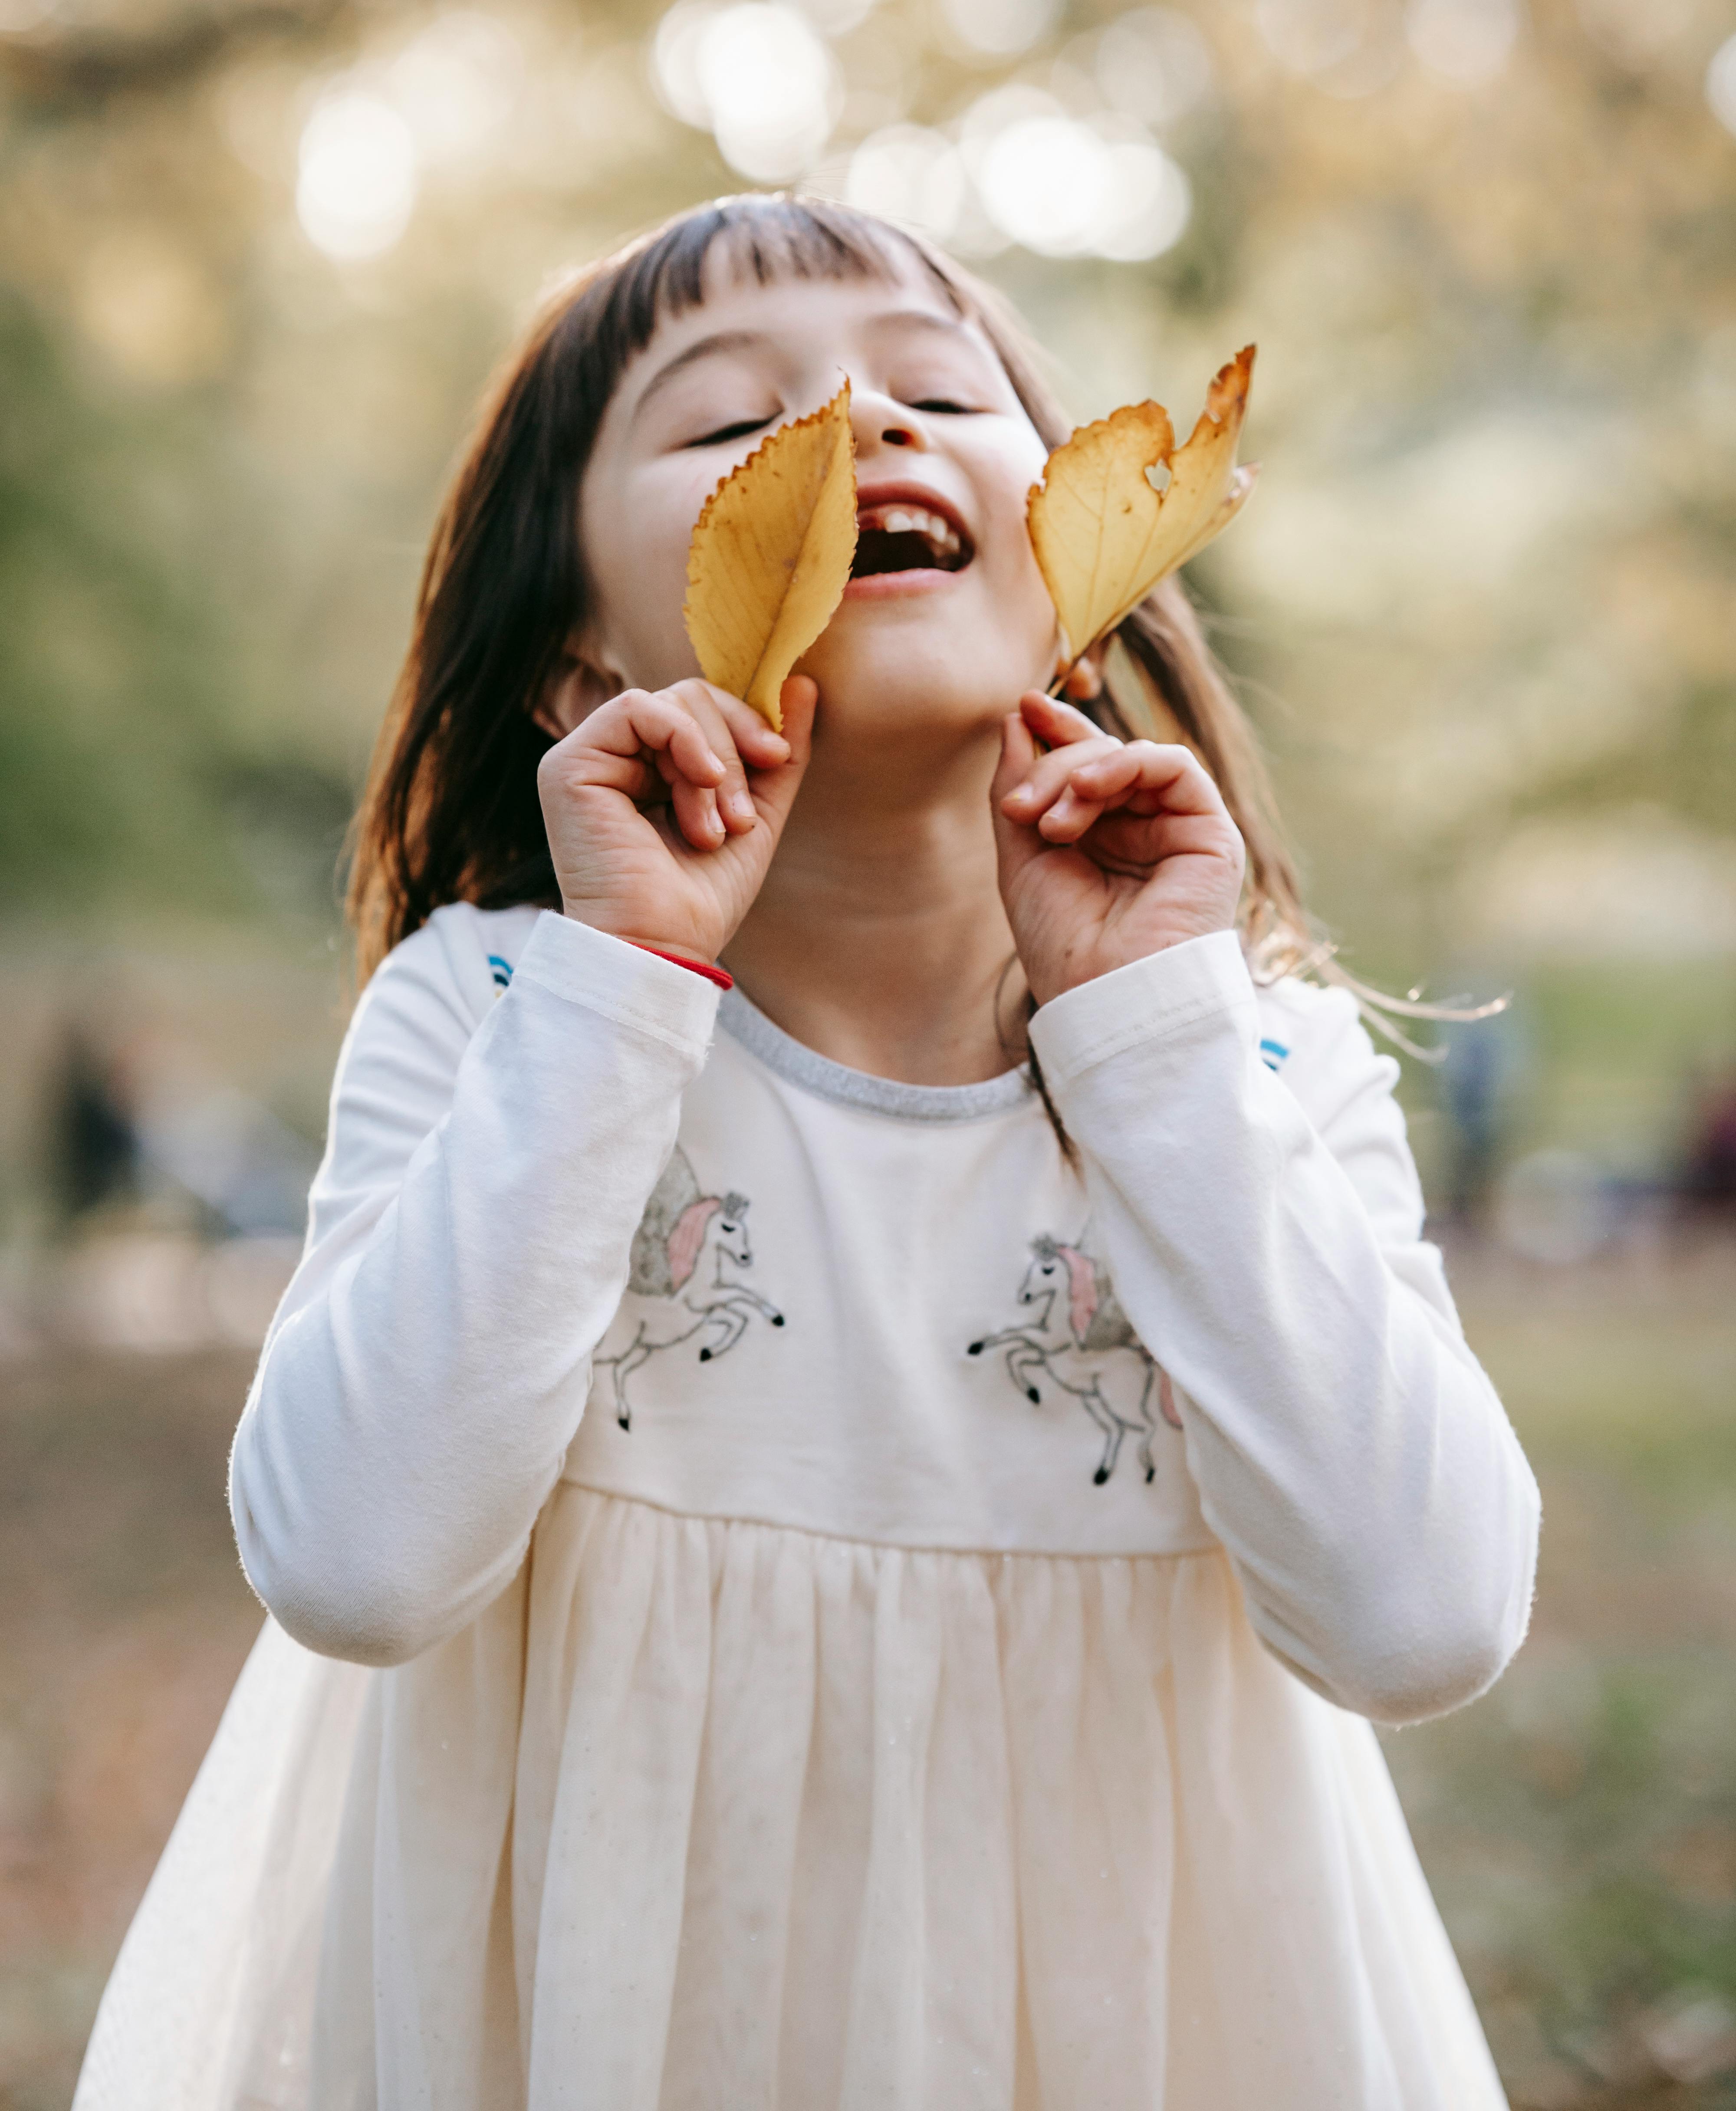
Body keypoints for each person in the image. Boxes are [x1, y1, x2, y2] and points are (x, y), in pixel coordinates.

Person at [75, 196, 1539, 2111]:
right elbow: (355, 1561)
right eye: (723, 421)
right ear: (573, 663)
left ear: (1090, 556)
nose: (861, 420)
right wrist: (627, 986)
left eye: (941, 386)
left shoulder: (1249, 1053)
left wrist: (1151, 1043)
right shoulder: (503, 1011)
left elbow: (1420, 1615)